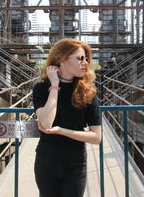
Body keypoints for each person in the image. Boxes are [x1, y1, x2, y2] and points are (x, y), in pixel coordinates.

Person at [33, 38, 101, 197]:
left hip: (75, 164)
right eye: (79, 58)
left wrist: (61, 130)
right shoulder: (42, 88)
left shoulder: (88, 93)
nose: (85, 63)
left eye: (86, 59)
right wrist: (55, 85)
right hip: (46, 161)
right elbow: (46, 123)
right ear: (61, 60)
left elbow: (97, 137)